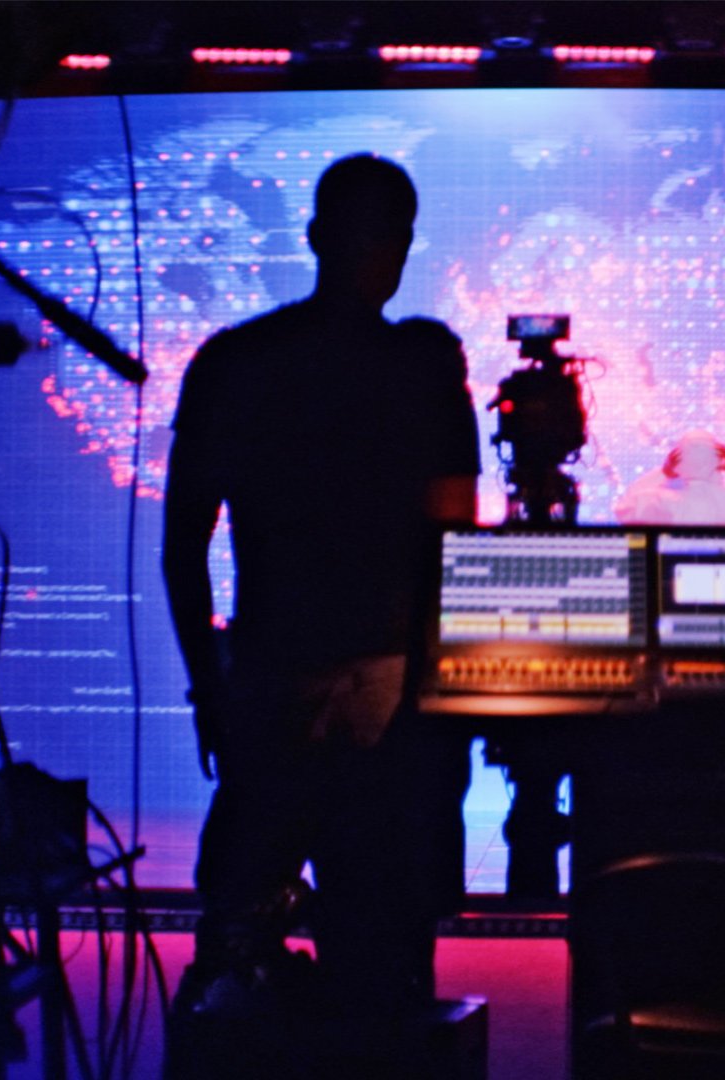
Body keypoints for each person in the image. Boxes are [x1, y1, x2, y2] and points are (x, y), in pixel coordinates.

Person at [162, 154, 481, 1039]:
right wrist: (440, 695)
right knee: (385, 966)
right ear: (403, 245)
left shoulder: (234, 362)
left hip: (267, 674)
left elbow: (183, 546)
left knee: (235, 947)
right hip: (393, 689)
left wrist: (210, 688)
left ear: (312, 236)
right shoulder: (424, 366)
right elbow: (454, 541)